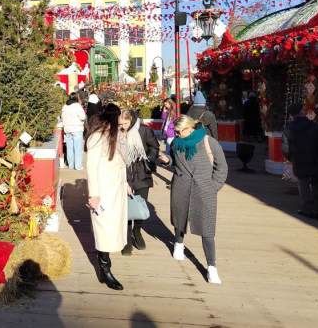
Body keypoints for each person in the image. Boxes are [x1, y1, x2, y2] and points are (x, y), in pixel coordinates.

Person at [170, 115, 228, 285]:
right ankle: (178, 244)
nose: (177, 134)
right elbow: (175, 163)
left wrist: (213, 186)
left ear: (190, 128)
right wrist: (167, 161)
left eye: (180, 131)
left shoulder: (209, 142)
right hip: (181, 185)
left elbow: (222, 167)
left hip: (204, 189)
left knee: (207, 229)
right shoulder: (175, 143)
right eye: (176, 131)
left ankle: (212, 267)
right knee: (179, 217)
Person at [85, 103, 128, 291]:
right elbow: (91, 168)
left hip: (116, 189)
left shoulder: (115, 135)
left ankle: (105, 264)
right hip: (102, 193)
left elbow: (121, 162)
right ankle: (104, 267)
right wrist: (93, 195)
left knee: (113, 227)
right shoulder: (95, 138)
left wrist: (125, 183)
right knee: (104, 229)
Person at [119, 109, 167, 255]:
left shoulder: (144, 130)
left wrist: (149, 159)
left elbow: (155, 146)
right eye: (121, 124)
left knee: (140, 205)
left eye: (126, 123)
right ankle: (126, 239)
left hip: (142, 174)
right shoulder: (117, 132)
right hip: (123, 174)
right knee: (125, 207)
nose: (123, 127)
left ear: (132, 120)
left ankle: (137, 231)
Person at [283, 103, 318, 218]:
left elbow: (286, 147)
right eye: (303, 109)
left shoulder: (289, 128)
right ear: (301, 112)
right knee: (317, 185)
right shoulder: (315, 127)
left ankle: (307, 209)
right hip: (316, 160)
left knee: (303, 184)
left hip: (299, 160)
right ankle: (317, 209)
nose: (305, 110)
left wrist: (291, 158)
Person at [61, 93, 87, 170]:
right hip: (77, 129)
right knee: (78, 148)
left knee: (69, 148)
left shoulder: (65, 106)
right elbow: (83, 117)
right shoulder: (77, 106)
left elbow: (62, 117)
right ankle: (78, 166)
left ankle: (71, 165)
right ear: (76, 98)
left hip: (67, 129)